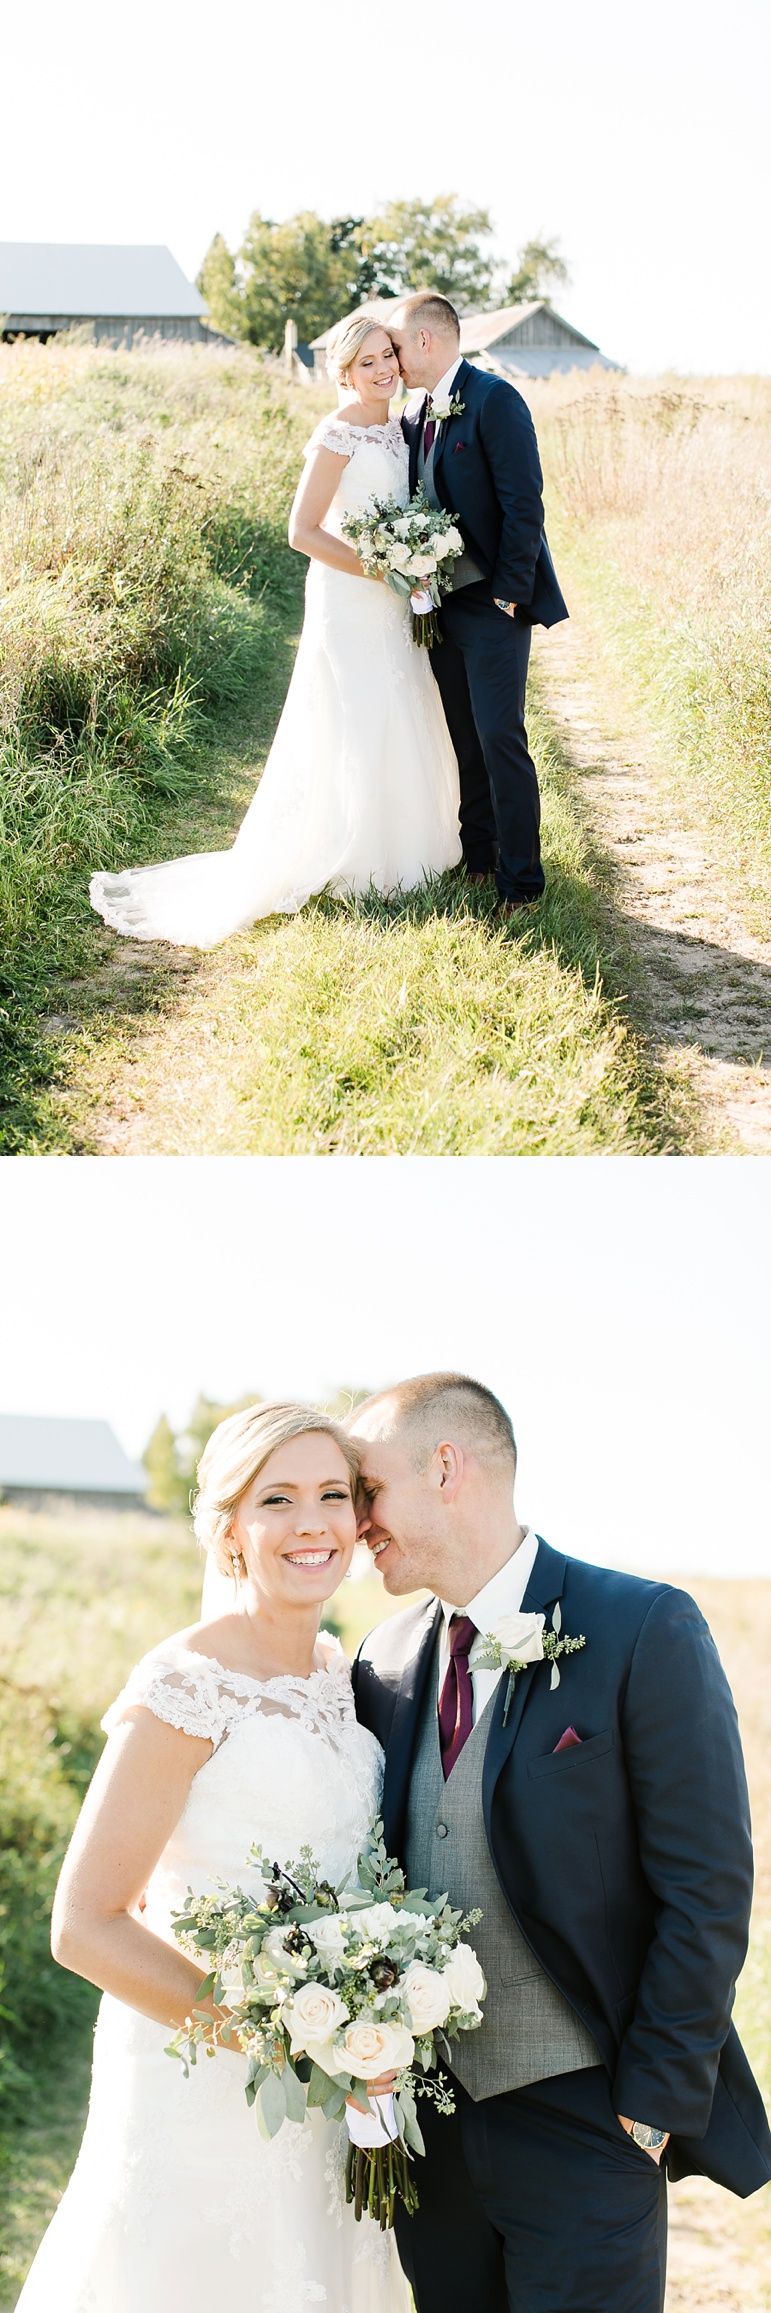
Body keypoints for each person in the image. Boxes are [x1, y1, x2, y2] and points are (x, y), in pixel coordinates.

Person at [348, 1370, 771, 2313]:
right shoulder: (378, 1659)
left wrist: (651, 2105)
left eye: (368, 1487)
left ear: (446, 1465)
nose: (356, 1518)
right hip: (428, 2127)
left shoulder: (639, 1625)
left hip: (590, 2115)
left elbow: (706, 1885)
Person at [16, 1404, 409, 2313]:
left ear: (359, 1519)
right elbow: (83, 1924)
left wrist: (358, 2028)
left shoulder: (338, 1674)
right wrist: (286, 2037)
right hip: (204, 2077)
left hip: (332, 2084)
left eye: (332, 1494)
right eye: (277, 1497)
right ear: (230, 1529)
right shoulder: (183, 1684)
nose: (311, 1520)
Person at [89, 317, 460, 948]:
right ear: (344, 373)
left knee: (402, 700)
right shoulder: (336, 433)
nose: (382, 370)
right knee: (355, 710)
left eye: (386, 357)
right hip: (350, 593)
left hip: (394, 598)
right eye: (366, 363)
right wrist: (379, 566)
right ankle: (349, 854)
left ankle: (410, 846)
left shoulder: (404, 428)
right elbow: (303, 532)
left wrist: (414, 560)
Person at [388, 294, 568, 912]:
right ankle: (480, 859)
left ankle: (523, 884)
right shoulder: (414, 413)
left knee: (500, 736)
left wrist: (510, 596)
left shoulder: (495, 400)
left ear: (427, 342)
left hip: (493, 604)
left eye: (399, 346)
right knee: (464, 738)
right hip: (438, 606)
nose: (394, 360)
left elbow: (525, 504)